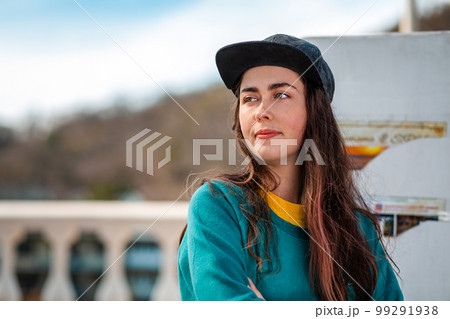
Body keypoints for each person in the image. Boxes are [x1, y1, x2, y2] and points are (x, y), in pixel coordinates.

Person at [177, 34, 403, 301]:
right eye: (250, 98)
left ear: (314, 111)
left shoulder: (359, 228)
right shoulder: (218, 207)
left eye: (281, 95)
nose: (262, 111)